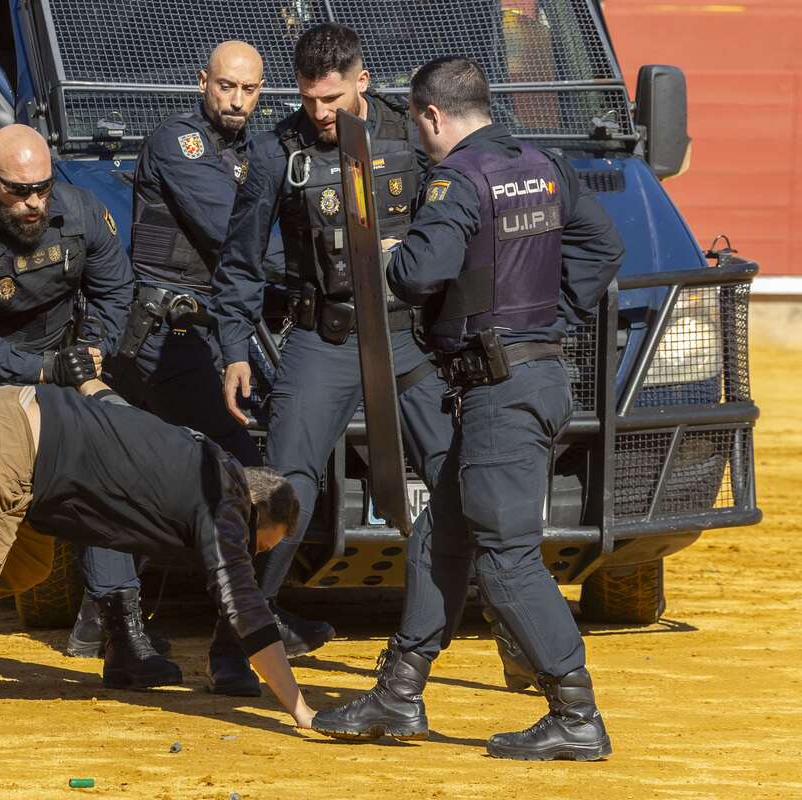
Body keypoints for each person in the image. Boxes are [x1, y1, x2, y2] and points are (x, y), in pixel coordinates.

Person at [311, 57, 624, 761]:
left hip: (498, 391)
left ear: (429, 114)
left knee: (506, 558)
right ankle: (399, 692)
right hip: (530, 377)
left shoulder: (457, 179)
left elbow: (417, 274)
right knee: (442, 535)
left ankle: (574, 712)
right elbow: (603, 245)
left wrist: (396, 255)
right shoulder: (542, 164)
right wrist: (551, 316)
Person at [0, 380, 317, 732]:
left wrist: (90, 378)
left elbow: (115, 406)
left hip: (14, 427)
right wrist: (298, 707)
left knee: (30, 567)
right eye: (260, 543)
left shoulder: (209, 456)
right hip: (6, 446)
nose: (250, 553)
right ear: (254, 511)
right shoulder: (223, 503)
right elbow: (244, 607)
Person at [210, 24, 455, 642]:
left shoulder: (410, 136)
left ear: (362, 83)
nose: (320, 113)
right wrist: (234, 350)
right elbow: (238, 262)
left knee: (460, 475)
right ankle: (240, 642)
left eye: (333, 100)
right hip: (326, 337)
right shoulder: (276, 152)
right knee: (285, 489)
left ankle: (476, 627)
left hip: (407, 336)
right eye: (309, 99)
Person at [0, 124, 180, 690]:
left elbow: (115, 291)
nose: (35, 202)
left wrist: (91, 350)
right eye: (19, 190)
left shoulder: (82, 212)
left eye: (42, 187)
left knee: (102, 481)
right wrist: (39, 372)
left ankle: (123, 637)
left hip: (59, 360)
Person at [114, 40, 328, 697]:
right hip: (161, 338)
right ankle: (135, 631)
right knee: (141, 480)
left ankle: (228, 633)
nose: (237, 100)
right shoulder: (181, 145)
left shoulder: (248, 151)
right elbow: (232, 232)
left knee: (222, 472)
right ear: (201, 80)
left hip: (203, 338)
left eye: (250, 90)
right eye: (226, 86)